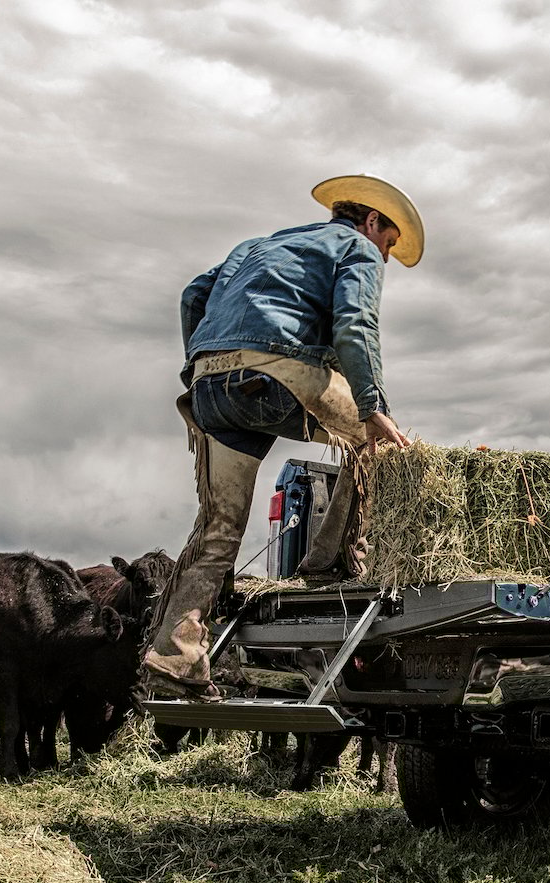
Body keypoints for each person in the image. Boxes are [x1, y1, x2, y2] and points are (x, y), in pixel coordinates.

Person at [143, 174, 423, 699]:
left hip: (210, 386)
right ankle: (332, 562)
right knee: (386, 445)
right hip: (279, 373)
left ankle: (177, 653)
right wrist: (373, 407)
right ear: (371, 222)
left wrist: (200, 359)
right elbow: (355, 325)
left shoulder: (256, 246)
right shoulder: (356, 247)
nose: (384, 257)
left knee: (220, 525)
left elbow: (192, 295)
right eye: (388, 243)